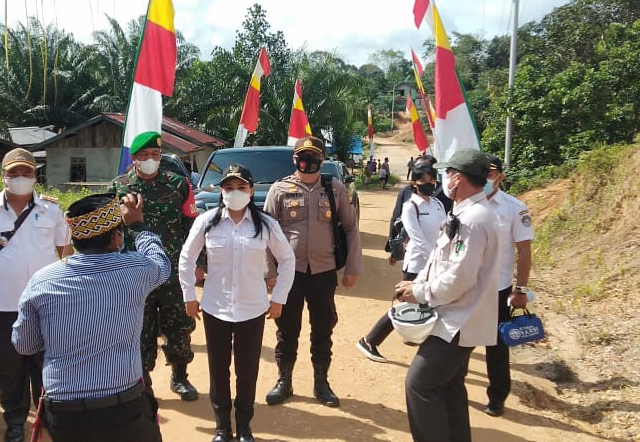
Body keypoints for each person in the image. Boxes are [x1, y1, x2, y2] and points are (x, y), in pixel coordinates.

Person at [12, 192, 168, 442]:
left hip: (66, 414)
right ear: (116, 238)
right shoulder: (137, 270)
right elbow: (161, 264)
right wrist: (138, 225)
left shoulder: (42, 281)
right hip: (125, 407)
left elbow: (25, 344)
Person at [0, 148, 73, 442]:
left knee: (45, 364)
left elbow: (66, 250)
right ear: (3, 176)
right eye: (14, 173)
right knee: (9, 368)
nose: (20, 178)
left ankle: (46, 415)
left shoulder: (51, 209)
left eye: (27, 173)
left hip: (46, 304)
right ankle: (14, 421)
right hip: (4, 304)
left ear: (36, 176)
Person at [179, 164, 296, 442]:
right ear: (221, 191)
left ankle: (244, 426)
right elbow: (187, 258)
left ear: (251, 191)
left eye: (241, 188)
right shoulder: (207, 221)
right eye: (229, 188)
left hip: (252, 309)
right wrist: (188, 296)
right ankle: (222, 428)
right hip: (214, 308)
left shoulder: (266, 224)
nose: (234, 193)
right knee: (218, 371)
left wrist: (279, 297)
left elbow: (287, 260)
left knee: (247, 371)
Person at [395, 148, 500, 442]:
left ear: (460, 178)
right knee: (450, 386)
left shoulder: (475, 219)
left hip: (458, 319)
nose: (444, 179)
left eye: (448, 173)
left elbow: (459, 277)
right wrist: (418, 284)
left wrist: (419, 292)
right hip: (456, 315)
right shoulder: (465, 212)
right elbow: (447, 263)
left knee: (420, 385)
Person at [263, 136, 361, 408]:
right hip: (288, 274)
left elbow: (351, 228)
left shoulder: (334, 188)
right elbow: (266, 233)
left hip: (323, 272)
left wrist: (352, 267)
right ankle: (284, 380)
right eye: (303, 156)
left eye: (314, 156)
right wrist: (269, 271)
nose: (309, 162)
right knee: (286, 329)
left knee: (322, 328)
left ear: (322, 158)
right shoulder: (279, 189)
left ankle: (321, 382)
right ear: (295, 159)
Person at [109, 132, 201, 401]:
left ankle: (180, 376)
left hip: (172, 272)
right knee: (139, 330)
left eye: (156, 155)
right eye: (145, 155)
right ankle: (143, 381)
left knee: (180, 327)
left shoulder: (178, 184)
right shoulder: (119, 186)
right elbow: (109, 232)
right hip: (135, 274)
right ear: (134, 158)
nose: (151, 160)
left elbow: (192, 228)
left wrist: (197, 264)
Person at [357, 163, 447, 362]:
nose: (429, 184)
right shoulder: (411, 207)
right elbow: (418, 239)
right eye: (423, 181)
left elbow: (444, 232)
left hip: (435, 263)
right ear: (413, 183)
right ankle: (370, 340)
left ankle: (420, 340)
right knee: (405, 305)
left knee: (428, 305)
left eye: (431, 180)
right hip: (417, 265)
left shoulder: (438, 204)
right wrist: (436, 260)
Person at [481, 155, 534, 417]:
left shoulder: (515, 208)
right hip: (466, 287)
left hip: (498, 290)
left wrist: (521, 290)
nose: (486, 178)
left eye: (491, 173)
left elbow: (524, 252)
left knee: (496, 348)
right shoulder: (465, 203)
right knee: (456, 343)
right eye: (482, 173)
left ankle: (497, 397)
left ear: (500, 176)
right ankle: (452, 390)